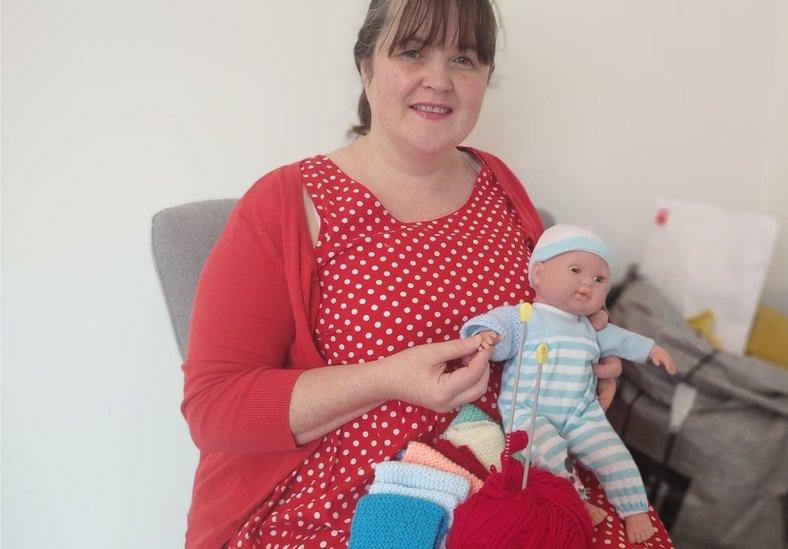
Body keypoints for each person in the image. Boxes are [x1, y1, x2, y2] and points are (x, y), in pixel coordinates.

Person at [180, 1, 673, 547]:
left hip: (513, 470)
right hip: (350, 503)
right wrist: (388, 378)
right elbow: (215, 407)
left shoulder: (499, 183)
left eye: (463, 59)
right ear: (366, 66)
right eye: (412, 52)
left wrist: (575, 363)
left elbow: (547, 310)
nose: (439, 80)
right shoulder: (286, 203)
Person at [462, 224, 676, 543]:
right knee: (544, 451)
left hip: (581, 410)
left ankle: (634, 508)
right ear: (538, 274)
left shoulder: (591, 328)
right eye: (575, 270)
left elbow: (623, 341)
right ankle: (575, 500)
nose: (587, 284)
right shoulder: (526, 317)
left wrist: (650, 350)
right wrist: (486, 336)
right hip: (528, 408)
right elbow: (495, 327)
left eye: (599, 279)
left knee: (613, 452)